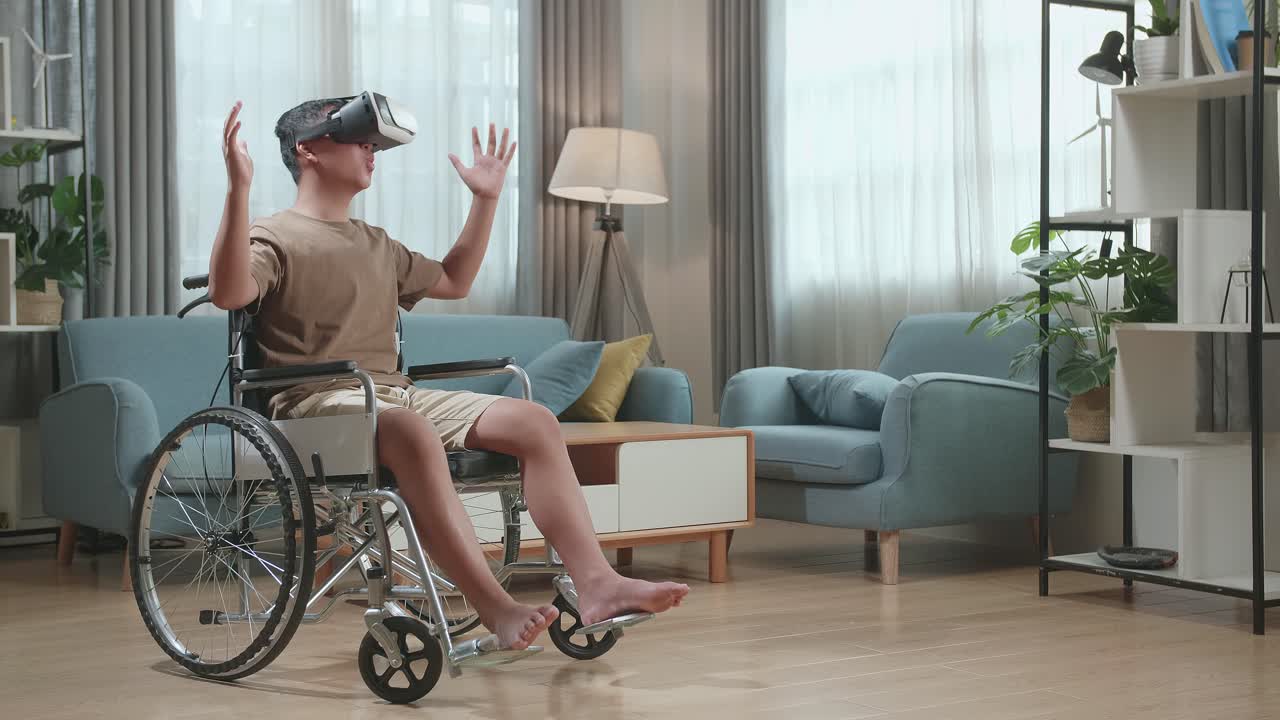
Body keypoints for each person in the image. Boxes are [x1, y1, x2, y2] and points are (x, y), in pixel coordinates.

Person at [206, 98, 689, 651]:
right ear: (308, 150)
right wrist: (237, 189)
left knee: (532, 420)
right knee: (407, 428)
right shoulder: (273, 234)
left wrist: (485, 199)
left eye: (374, 142)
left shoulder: (376, 243)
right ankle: (495, 607)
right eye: (358, 139)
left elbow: (455, 280)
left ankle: (597, 582)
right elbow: (229, 292)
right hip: (310, 406)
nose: (371, 151)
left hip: (388, 397)